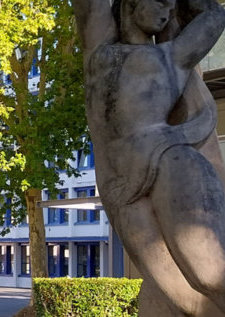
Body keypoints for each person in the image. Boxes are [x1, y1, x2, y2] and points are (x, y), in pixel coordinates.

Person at [76, 0, 225, 313]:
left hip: (170, 161)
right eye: (159, 2)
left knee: (210, 276)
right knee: (184, 298)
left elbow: (215, 15)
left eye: (171, 6)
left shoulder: (173, 57)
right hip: (119, 186)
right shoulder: (100, 53)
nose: (166, 12)